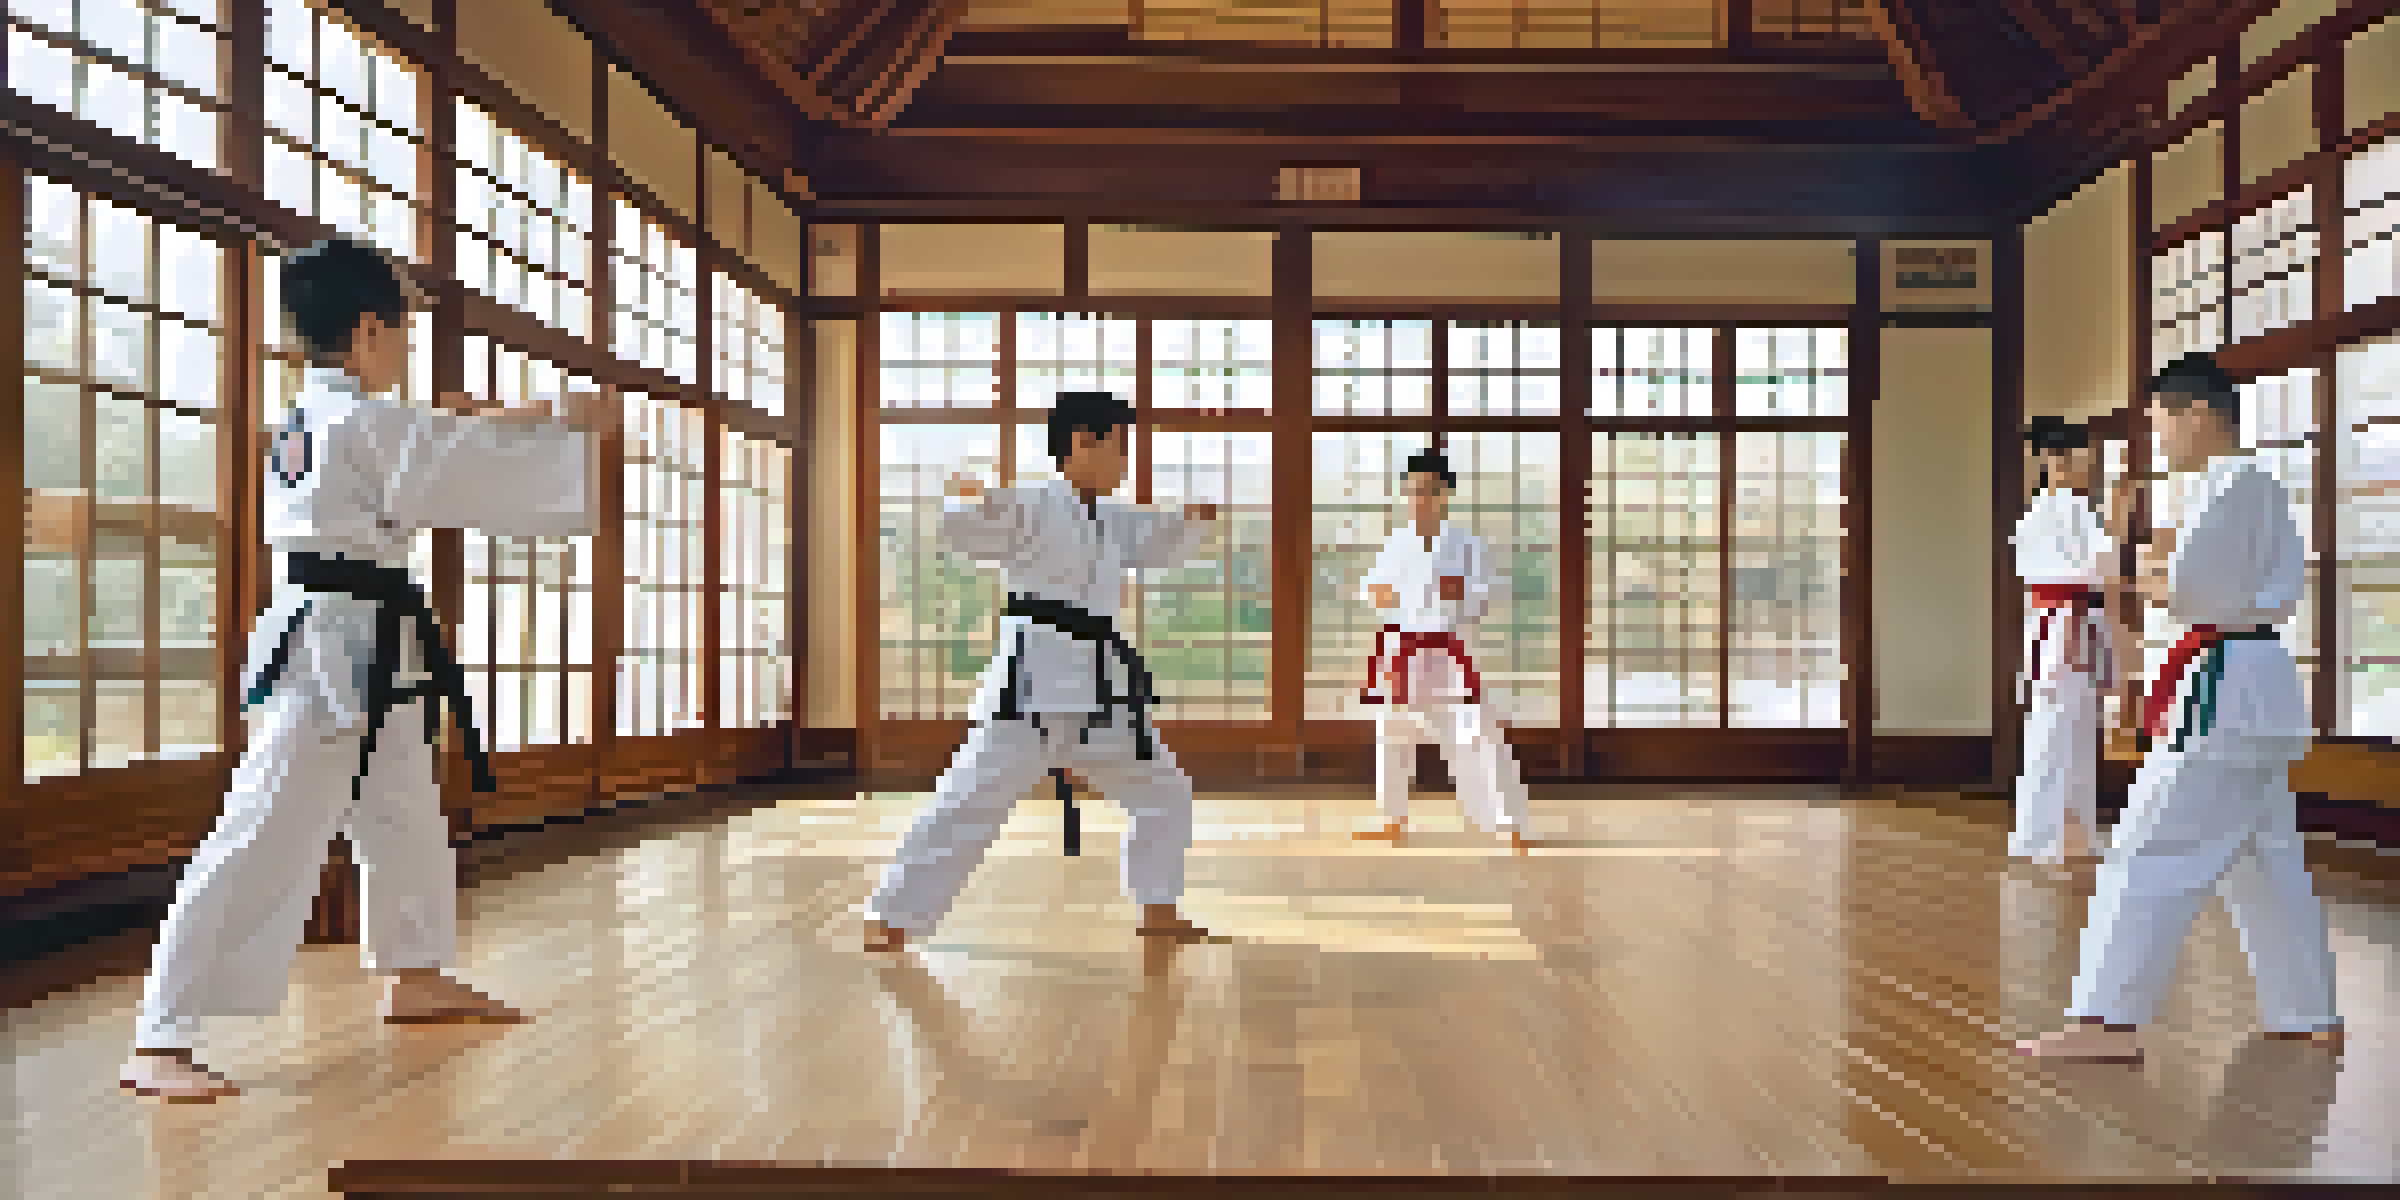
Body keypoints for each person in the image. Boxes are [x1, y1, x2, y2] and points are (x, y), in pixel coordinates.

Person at [120, 238, 614, 1102]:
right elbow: (452, 465)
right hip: (329, 645)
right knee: (263, 824)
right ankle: (162, 1032)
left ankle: (415, 973)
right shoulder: (359, 420)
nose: (407, 346)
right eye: (401, 330)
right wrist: (571, 427)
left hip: (363, 632)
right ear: (365, 331)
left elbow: (431, 446)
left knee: (401, 811)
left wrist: (503, 422)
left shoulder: (324, 412)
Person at [2014, 353, 2341, 1063]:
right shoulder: (2255, 486)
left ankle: (2107, 1022)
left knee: (2146, 850)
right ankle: (2307, 1010)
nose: (2157, 433)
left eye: (2160, 417)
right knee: (2266, 856)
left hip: (2225, 689)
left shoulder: (2231, 486)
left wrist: (2147, 573)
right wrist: (2153, 568)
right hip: (2252, 685)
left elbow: (2191, 592)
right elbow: (2192, 581)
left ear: (2195, 413)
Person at [864, 392, 1217, 952]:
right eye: (1121, 448)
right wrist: (969, 502)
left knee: (1163, 790)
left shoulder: (1112, 517)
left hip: (1101, 694)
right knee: (970, 799)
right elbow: (961, 534)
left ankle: (1158, 906)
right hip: (1032, 687)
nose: (1126, 463)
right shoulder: (1028, 504)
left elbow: (1157, 546)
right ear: (1083, 442)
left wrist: (1190, 524)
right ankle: (892, 915)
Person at [1354, 450, 1533, 852]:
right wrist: (1375, 594)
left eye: (1430, 491)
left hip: (1450, 650)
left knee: (1481, 732)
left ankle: (1512, 823)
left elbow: (1493, 593)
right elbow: (1371, 589)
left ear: (1446, 494)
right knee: (1392, 734)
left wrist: (1465, 593)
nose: (1421, 499)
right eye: (1414, 492)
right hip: (1403, 647)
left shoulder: (1468, 544)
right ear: (1405, 495)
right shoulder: (1397, 543)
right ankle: (1391, 818)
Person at [2009, 416, 2114, 866]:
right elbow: (2099, 567)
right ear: (2056, 460)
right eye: (2080, 456)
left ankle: (2065, 836)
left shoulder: (2052, 508)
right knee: (2056, 733)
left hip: (2062, 621)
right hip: (2064, 625)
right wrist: (2124, 525)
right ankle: (2042, 838)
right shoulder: (2064, 509)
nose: (2087, 464)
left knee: (2065, 732)